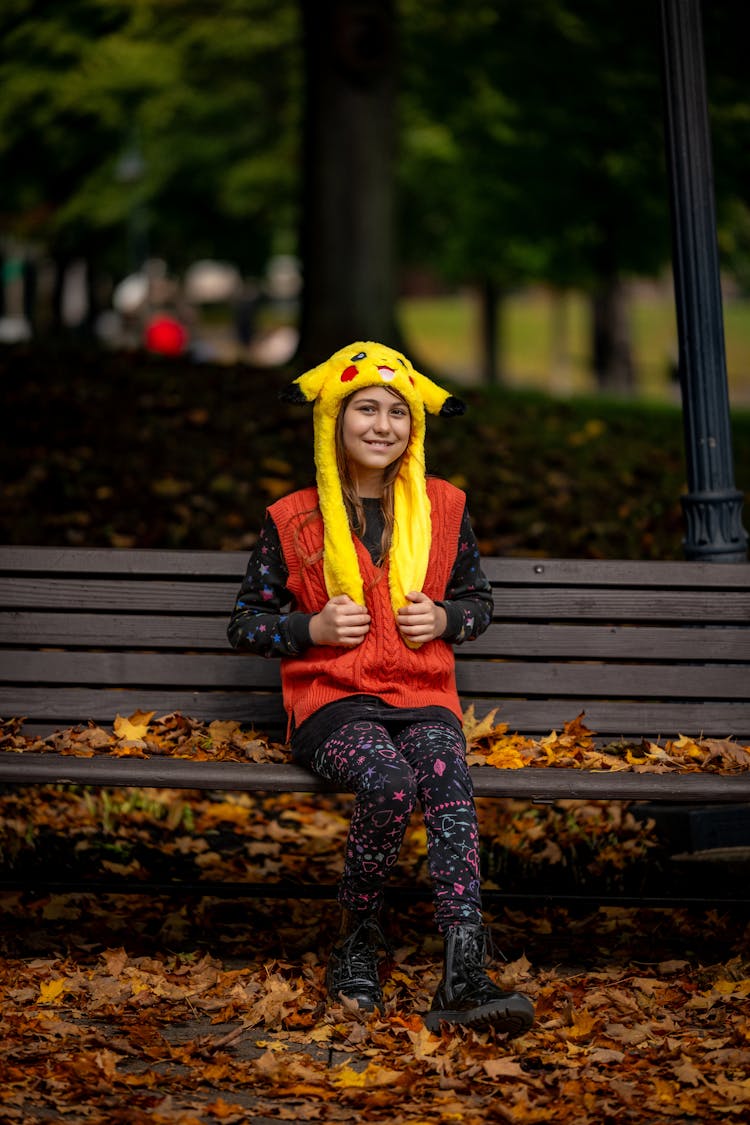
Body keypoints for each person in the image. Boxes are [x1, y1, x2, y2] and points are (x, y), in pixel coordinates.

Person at [227, 341, 534, 1035]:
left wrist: (448, 616)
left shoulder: (446, 508)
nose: (383, 423)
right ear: (332, 420)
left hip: (424, 697)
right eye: (365, 407)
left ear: (414, 428)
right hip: (334, 705)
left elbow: (479, 601)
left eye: (399, 411)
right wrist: (308, 628)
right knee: (391, 782)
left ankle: (463, 969)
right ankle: (356, 941)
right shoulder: (292, 518)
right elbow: (244, 623)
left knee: (447, 773)